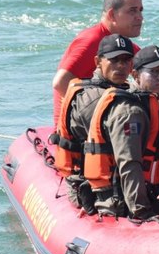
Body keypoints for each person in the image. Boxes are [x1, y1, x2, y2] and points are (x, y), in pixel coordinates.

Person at [83, 44, 159, 223]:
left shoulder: (153, 103)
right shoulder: (130, 113)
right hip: (121, 201)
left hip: (153, 189)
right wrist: (143, 212)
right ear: (135, 75)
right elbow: (129, 163)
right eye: (154, 72)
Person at [51, 34, 135, 212]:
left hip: (113, 180)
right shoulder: (93, 100)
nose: (121, 65)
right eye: (114, 60)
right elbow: (126, 150)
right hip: (96, 190)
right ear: (98, 62)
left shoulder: (122, 91)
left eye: (126, 60)